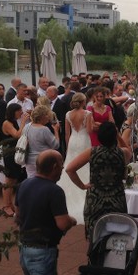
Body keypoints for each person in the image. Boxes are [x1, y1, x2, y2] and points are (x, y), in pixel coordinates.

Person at [15, 149, 77, 275]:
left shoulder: (24, 184)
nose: (62, 169)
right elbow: (62, 224)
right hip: (42, 250)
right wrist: (72, 220)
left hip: (24, 248)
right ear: (54, 167)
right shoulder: (54, 191)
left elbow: (17, 216)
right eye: (61, 166)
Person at [65, 122, 131, 238]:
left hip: (95, 200)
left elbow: (70, 169)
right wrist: (118, 136)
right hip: (116, 199)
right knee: (116, 237)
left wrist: (82, 186)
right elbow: (128, 150)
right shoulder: (122, 153)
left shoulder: (92, 152)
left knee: (95, 235)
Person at [56, 92, 93, 222]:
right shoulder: (87, 114)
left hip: (72, 141)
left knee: (70, 164)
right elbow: (89, 130)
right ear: (83, 102)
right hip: (84, 140)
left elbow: (66, 133)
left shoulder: (68, 114)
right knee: (86, 164)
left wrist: (67, 146)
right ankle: (86, 188)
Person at [0, 102, 30, 216]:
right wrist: (23, 122)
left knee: (13, 180)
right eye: (19, 111)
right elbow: (17, 135)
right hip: (9, 153)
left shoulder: (12, 122)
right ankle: (6, 206)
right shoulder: (7, 123)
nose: (21, 113)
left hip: (13, 152)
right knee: (9, 179)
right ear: (13, 111)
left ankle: (9, 203)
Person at [23, 105, 60, 179]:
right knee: (43, 181)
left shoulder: (27, 127)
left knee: (31, 181)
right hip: (42, 161)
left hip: (28, 160)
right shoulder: (44, 129)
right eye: (46, 115)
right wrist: (56, 130)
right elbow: (55, 145)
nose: (48, 117)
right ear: (41, 117)